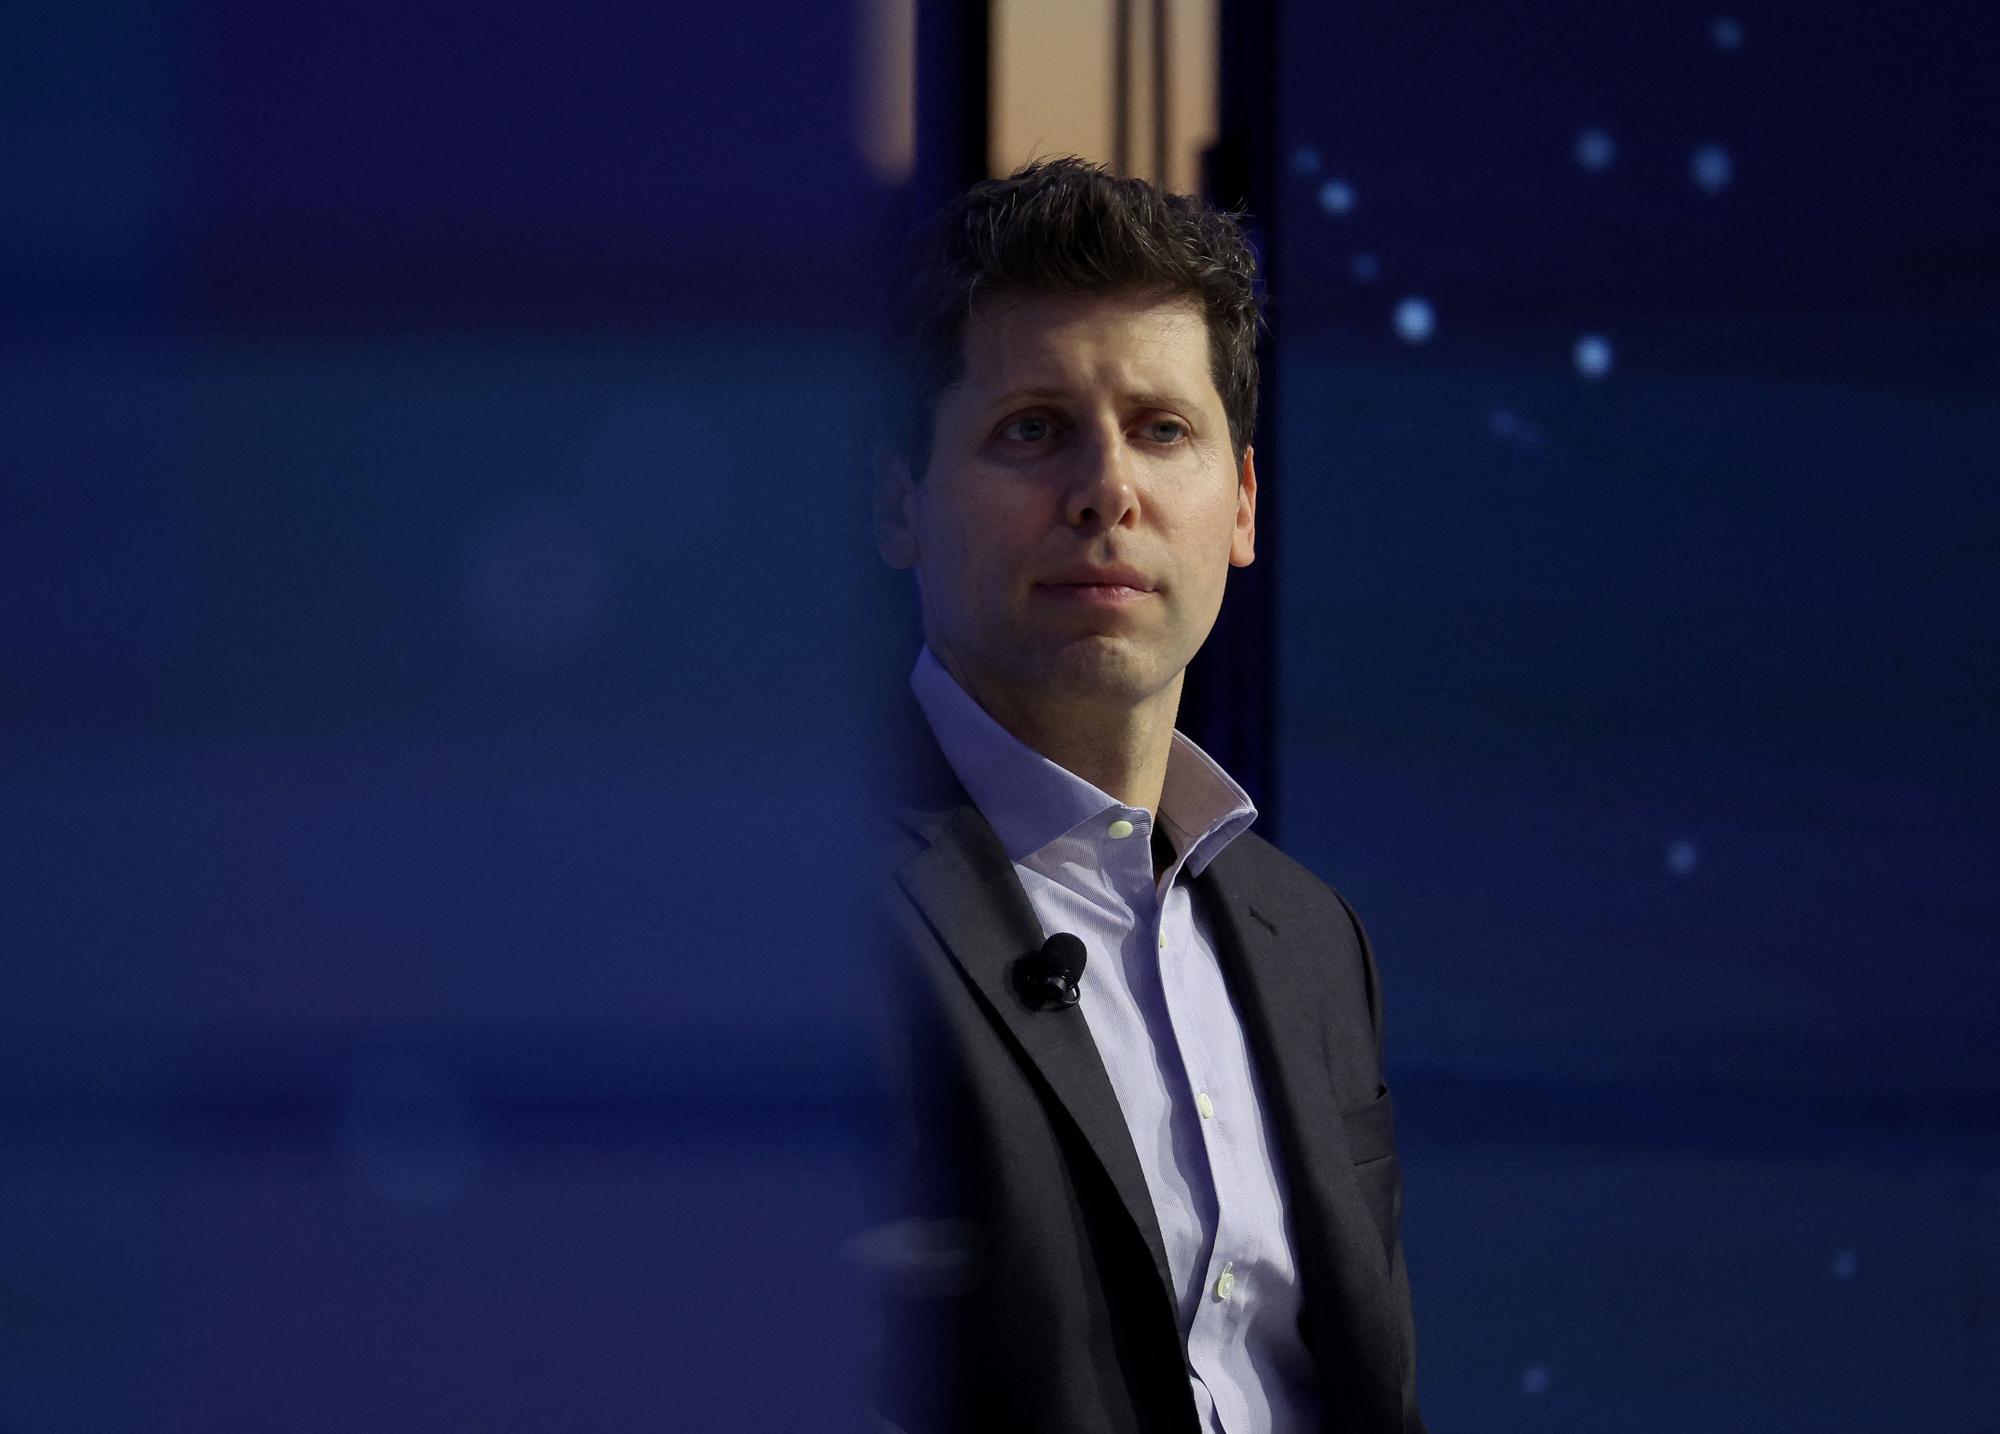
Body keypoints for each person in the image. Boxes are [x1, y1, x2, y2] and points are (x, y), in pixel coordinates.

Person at [867, 157, 1425, 1434]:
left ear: (1237, 504)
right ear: (897, 498)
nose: (1104, 491)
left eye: (1161, 430)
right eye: (1031, 428)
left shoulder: (1308, 940)